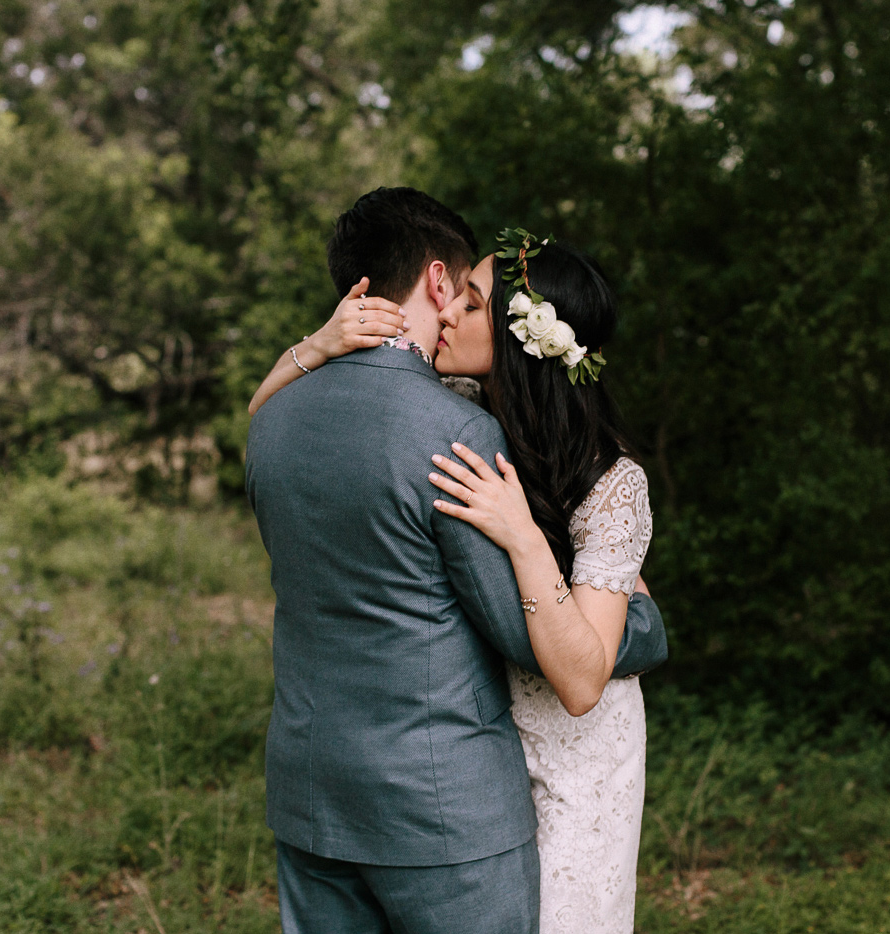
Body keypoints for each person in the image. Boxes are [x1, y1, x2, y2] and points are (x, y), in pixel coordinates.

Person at [243, 187, 668, 934]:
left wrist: (529, 539)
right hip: (464, 767)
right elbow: (269, 412)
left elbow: (577, 678)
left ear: (522, 337)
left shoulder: (607, 480)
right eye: (459, 297)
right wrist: (319, 342)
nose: (450, 315)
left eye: (474, 306)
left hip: (564, 749)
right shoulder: (455, 413)